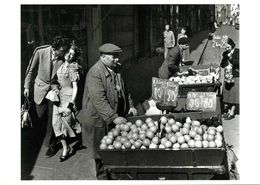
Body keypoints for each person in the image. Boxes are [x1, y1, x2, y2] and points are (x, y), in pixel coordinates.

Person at [76, 43, 138, 179]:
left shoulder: (117, 70)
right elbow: (99, 100)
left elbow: (125, 91)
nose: (117, 59)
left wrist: (131, 105)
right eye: (113, 56)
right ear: (103, 57)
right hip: (98, 120)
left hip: (112, 117)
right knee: (101, 156)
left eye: (117, 56)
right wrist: (114, 117)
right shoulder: (95, 73)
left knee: (114, 152)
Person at [23, 35, 71, 157]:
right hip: (40, 89)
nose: (64, 52)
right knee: (40, 116)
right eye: (62, 49)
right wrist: (27, 86)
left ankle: (51, 144)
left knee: (52, 119)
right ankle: (45, 137)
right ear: (55, 47)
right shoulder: (40, 51)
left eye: (65, 50)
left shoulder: (63, 58)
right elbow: (31, 70)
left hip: (54, 91)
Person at [46, 44, 82, 162]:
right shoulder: (60, 64)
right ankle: (65, 146)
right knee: (56, 125)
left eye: (72, 54)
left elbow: (75, 87)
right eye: (68, 53)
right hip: (58, 98)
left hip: (68, 99)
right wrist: (55, 87)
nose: (69, 56)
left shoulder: (72, 67)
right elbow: (55, 79)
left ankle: (67, 149)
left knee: (66, 125)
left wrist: (72, 103)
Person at [220, 38, 239, 120]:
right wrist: (225, 61)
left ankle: (232, 112)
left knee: (234, 95)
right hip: (228, 76)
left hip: (236, 75)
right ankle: (228, 111)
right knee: (227, 94)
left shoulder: (238, 52)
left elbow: (239, 62)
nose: (227, 49)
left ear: (232, 45)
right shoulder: (225, 53)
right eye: (226, 48)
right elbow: (222, 64)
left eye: (228, 47)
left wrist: (231, 59)